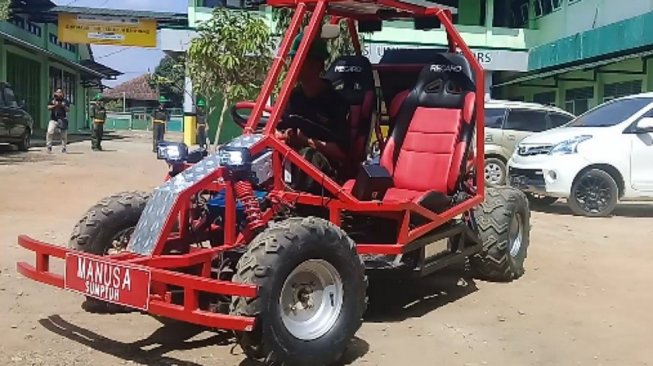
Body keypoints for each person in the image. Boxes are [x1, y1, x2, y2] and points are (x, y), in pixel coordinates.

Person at [277, 31, 350, 193]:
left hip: (326, 172)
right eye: (292, 60)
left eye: (299, 60)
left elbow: (342, 153)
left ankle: (295, 205)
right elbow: (278, 128)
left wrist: (305, 140)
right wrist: (282, 135)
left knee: (309, 155)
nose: (293, 66)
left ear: (317, 64)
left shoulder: (336, 103)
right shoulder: (292, 96)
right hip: (291, 161)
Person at [46, 88, 70, 153]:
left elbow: (68, 110)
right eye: (57, 92)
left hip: (62, 119)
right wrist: (55, 105)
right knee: (50, 132)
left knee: (63, 135)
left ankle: (64, 148)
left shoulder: (65, 101)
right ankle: (49, 146)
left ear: (62, 93)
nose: (59, 94)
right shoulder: (53, 99)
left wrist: (63, 106)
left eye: (60, 92)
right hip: (54, 119)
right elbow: (48, 107)